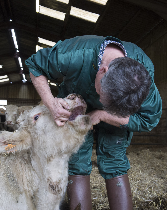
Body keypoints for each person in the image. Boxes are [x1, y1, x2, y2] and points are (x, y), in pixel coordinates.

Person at [25, 35, 162, 210]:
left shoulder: (142, 75)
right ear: (102, 70)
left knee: (114, 157)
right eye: (102, 95)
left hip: (115, 118)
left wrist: (104, 115)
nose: (100, 101)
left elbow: (149, 118)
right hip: (75, 108)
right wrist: (51, 104)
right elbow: (35, 65)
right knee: (77, 159)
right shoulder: (73, 54)